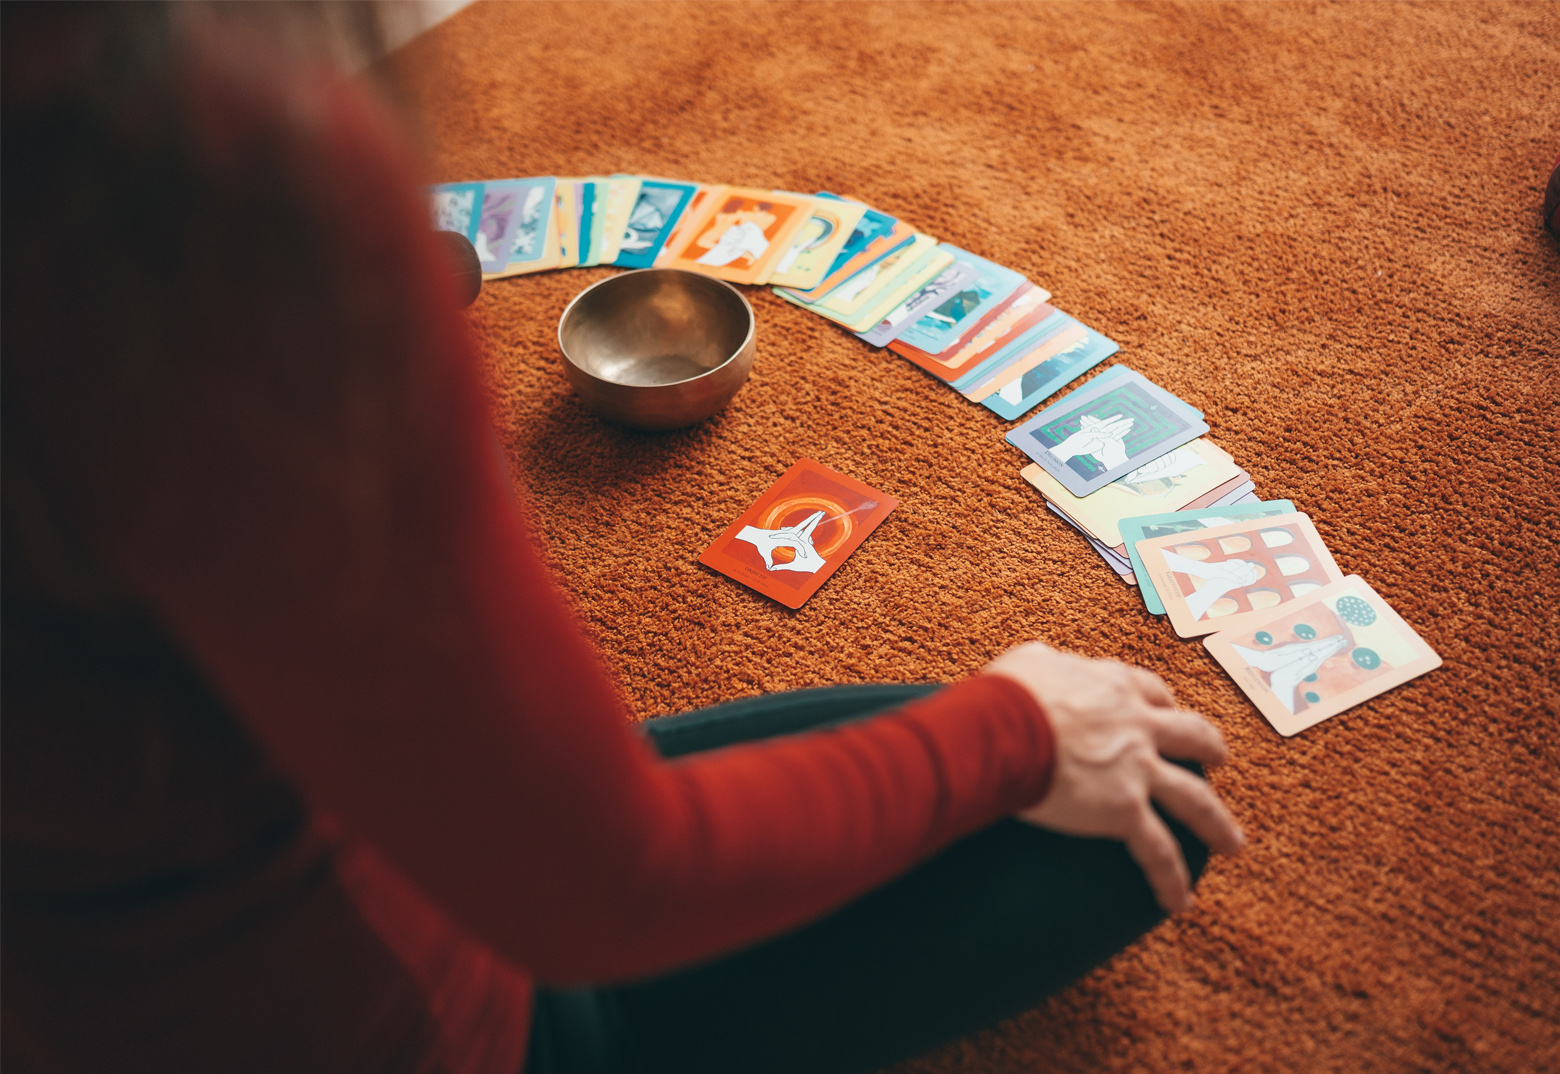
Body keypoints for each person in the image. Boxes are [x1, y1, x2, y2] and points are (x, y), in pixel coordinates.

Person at [0, 6, 1243, 1073]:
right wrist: (1019, 732)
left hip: (113, 959)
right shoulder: (202, 202)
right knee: (1138, 809)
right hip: (415, 1012)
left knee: (992, 745)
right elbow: (605, 892)